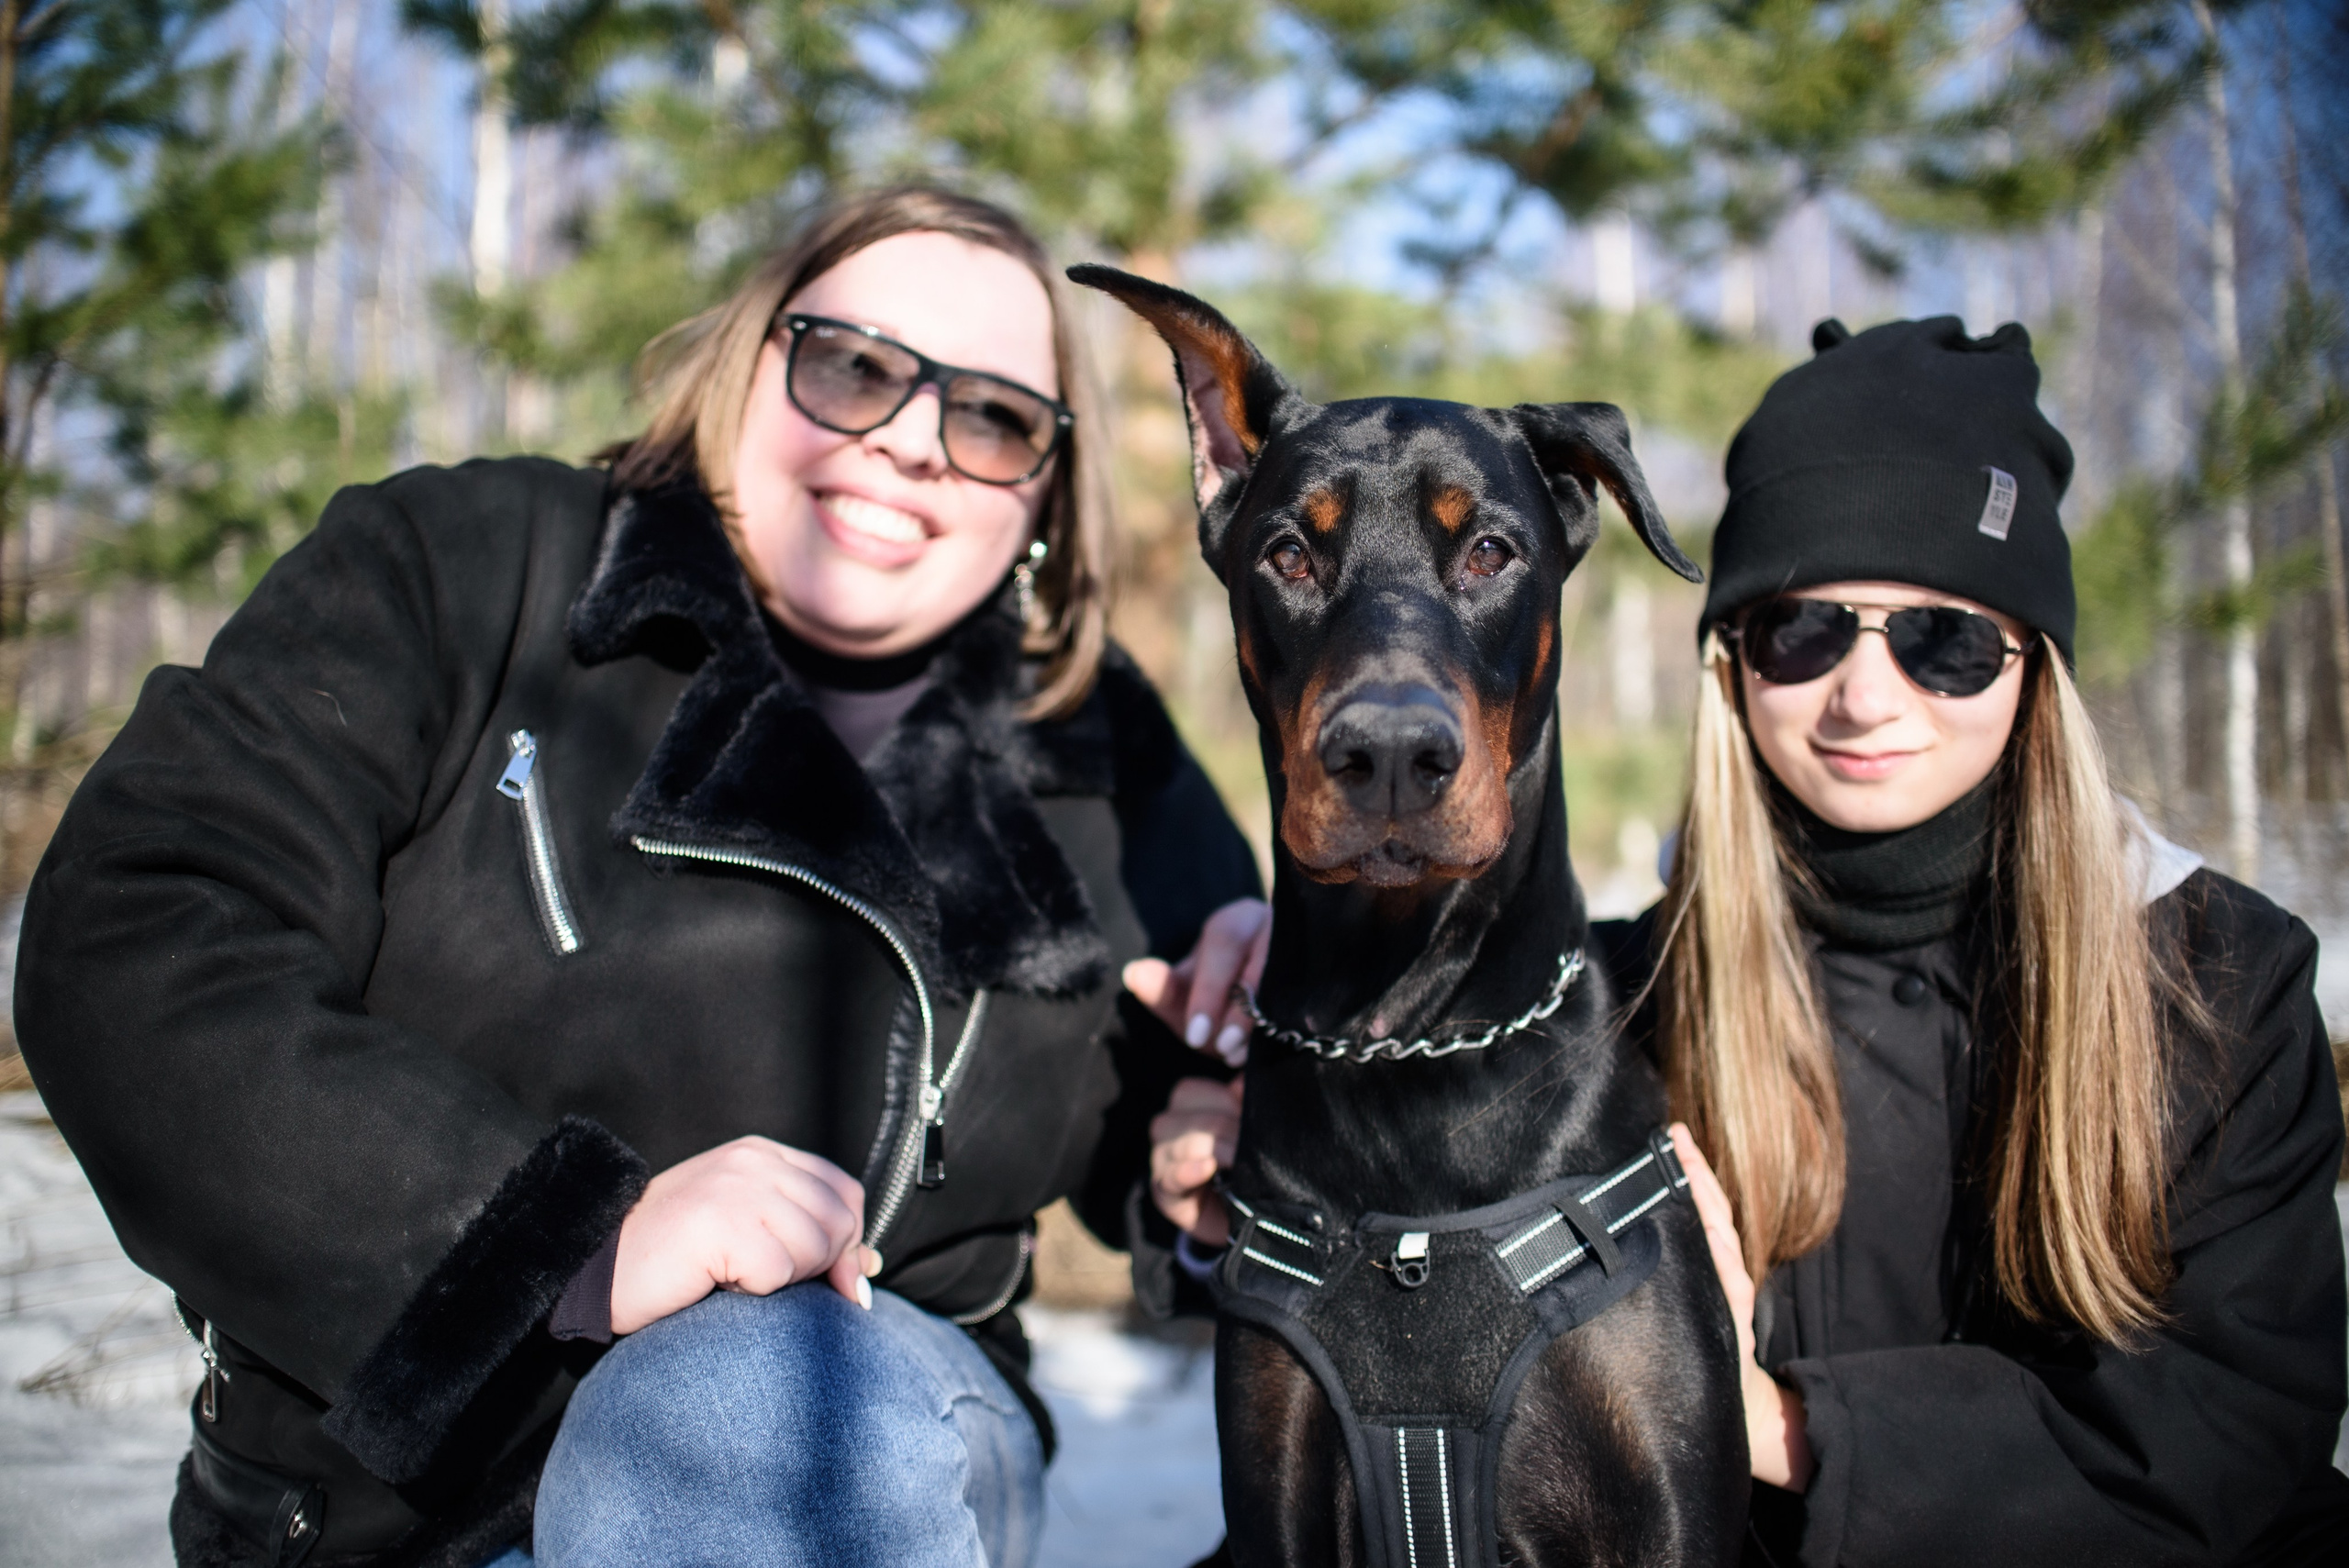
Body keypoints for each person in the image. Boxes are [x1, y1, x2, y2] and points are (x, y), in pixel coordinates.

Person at [14, 185, 1260, 1568]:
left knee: (745, 1396)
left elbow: (1202, 1093)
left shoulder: (1089, 735)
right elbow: (141, 928)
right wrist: (561, 1238)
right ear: (748, 358)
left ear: (1045, 490)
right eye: (855, 366)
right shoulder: (470, 568)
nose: (914, 443)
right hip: (385, 1498)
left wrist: (1219, 1113)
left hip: (871, 1436)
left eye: (993, 416)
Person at [1140, 317, 2348, 1565]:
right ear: (1734, 661)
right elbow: (1379, 1251)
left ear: (2035, 667)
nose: (1867, 696)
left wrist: (1769, 1422)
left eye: (1947, 638)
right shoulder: (1615, 998)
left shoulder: (2218, 989)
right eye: (1805, 630)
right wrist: (1260, 1052)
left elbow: (2226, 1435)